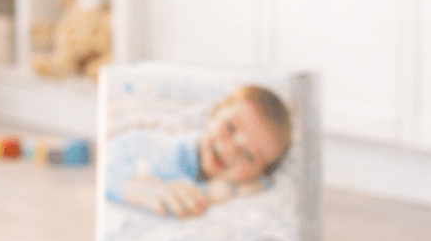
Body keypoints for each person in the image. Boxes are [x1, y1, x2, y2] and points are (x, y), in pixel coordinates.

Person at [104, 85, 292, 218]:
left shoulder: (239, 188)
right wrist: (143, 189)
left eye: (249, 156)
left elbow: (270, 184)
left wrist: (237, 189)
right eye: (230, 128)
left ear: (259, 173)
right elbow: (110, 162)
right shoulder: (164, 150)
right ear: (213, 114)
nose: (230, 150)